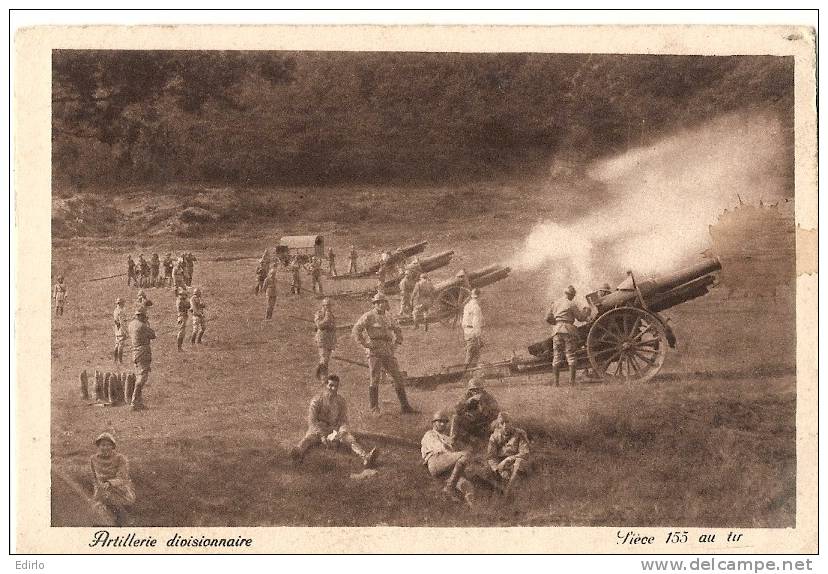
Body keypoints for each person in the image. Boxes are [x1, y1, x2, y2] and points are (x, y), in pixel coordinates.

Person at [290, 375, 378, 468]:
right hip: (319, 429)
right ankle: (298, 453)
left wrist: (342, 431)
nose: (333, 388)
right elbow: (312, 421)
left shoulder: (341, 401)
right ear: (325, 385)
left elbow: (343, 420)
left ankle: (365, 457)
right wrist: (322, 436)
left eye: (336, 386)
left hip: (333, 429)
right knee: (308, 439)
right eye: (331, 385)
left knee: (349, 439)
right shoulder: (316, 400)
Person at [352, 293, 417, 414]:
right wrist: (365, 344)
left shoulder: (389, 317)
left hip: (388, 350)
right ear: (375, 304)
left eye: (383, 302)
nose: (381, 304)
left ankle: (405, 406)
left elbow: (398, 330)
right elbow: (356, 330)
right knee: (375, 379)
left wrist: (397, 343)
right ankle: (374, 408)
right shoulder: (368, 316)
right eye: (379, 302)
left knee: (397, 377)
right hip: (375, 351)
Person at [421, 410, 475, 507]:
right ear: (434, 423)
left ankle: (471, 506)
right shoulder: (429, 434)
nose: (442, 424)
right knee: (465, 454)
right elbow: (439, 448)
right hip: (436, 461)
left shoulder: (446, 437)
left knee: (468, 486)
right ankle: (449, 488)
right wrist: (451, 447)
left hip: (447, 468)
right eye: (439, 421)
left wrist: (452, 445)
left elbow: (452, 455)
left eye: (445, 422)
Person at [545, 285, 591, 386]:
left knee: (556, 356)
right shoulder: (571, 304)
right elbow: (580, 318)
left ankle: (556, 383)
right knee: (571, 355)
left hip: (557, 331)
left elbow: (548, 318)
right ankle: (571, 382)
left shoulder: (555, 303)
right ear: (571, 295)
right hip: (569, 331)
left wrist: (557, 323)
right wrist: (587, 311)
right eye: (573, 295)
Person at [90, 432, 135, 525]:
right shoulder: (93, 459)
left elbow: (123, 477)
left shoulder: (120, 458)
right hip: (101, 490)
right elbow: (94, 477)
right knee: (97, 513)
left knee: (119, 512)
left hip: (119, 489)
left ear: (113, 446)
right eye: (103, 445)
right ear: (98, 446)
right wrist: (98, 488)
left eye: (108, 445)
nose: (105, 448)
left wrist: (109, 483)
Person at [486, 412, 531, 497]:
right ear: (498, 424)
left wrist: (509, 459)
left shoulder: (519, 434)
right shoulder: (494, 437)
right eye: (502, 423)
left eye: (507, 422)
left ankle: (507, 493)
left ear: (512, 422)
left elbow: (525, 453)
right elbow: (491, 457)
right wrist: (498, 470)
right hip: (501, 466)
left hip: (515, 463)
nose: (505, 425)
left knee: (519, 462)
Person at [450, 377, 499, 446]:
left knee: (498, 422)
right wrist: (468, 402)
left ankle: (496, 442)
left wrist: (483, 405)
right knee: (455, 418)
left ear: (482, 389)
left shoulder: (488, 397)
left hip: (485, 424)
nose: (475, 392)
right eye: (473, 390)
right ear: (469, 390)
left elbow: (496, 412)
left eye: (477, 389)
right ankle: (453, 442)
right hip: (471, 424)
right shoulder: (466, 396)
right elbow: (456, 410)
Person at [127, 308, 155, 410]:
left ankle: (138, 401)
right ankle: (134, 402)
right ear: (142, 316)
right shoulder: (142, 326)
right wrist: (147, 323)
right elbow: (153, 335)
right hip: (143, 353)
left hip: (135, 353)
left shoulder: (131, 324)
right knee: (142, 378)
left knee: (139, 376)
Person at [313, 297, 337, 381]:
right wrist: (326, 317)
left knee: (326, 360)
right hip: (322, 339)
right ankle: (323, 378)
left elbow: (333, 327)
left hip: (330, 339)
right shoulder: (319, 314)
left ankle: (321, 374)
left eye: (329, 305)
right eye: (326, 305)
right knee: (324, 359)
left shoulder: (331, 314)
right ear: (322, 306)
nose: (328, 307)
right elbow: (319, 325)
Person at [462, 288, 484, 370]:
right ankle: (466, 372)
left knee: (471, 352)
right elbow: (476, 323)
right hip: (473, 332)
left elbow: (463, 322)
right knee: (473, 355)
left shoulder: (467, 306)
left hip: (467, 331)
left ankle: (469, 371)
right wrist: (478, 337)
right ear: (478, 296)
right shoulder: (476, 307)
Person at [175, 287, 190, 351]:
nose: (185, 296)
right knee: (181, 332)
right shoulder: (180, 301)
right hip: (181, 317)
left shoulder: (181, 300)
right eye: (184, 295)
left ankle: (180, 347)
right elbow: (188, 306)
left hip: (183, 316)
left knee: (182, 332)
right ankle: (179, 347)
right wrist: (187, 300)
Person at [113, 298, 127, 364]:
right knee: (121, 345)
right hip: (121, 330)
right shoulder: (121, 311)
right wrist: (125, 332)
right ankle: (120, 361)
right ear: (121, 303)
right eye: (123, 303)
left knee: (116, 345)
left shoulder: (115, 310)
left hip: (117, 330)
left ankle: (115, 360)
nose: (124, 304)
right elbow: (122, 323)